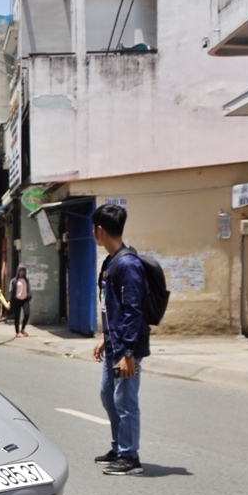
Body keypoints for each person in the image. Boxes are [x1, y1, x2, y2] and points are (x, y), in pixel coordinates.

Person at [92, 204, 149, 476]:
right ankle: (119, 447)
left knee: (126, 400)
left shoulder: (127, 264)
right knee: (109, 395)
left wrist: (128, 351)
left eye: (94, 229)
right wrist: (106, 338)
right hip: (115, 343)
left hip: (127, 347)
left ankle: (130, 457)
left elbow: (133, 310)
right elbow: (111, 306)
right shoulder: (110, 262)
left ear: (100, 230)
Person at [11, 265, 32, 338]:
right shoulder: (14, 280)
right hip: (17, 299)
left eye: (23, 271)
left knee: (27, 314)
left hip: (25, 299)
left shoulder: (26, 280)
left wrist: (29, 295)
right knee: (17, 316)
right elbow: (12, 291)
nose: (22, 272)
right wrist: (10, 301)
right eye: (20, 271)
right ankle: (17, 332)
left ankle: (22, 329)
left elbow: (29, 289)